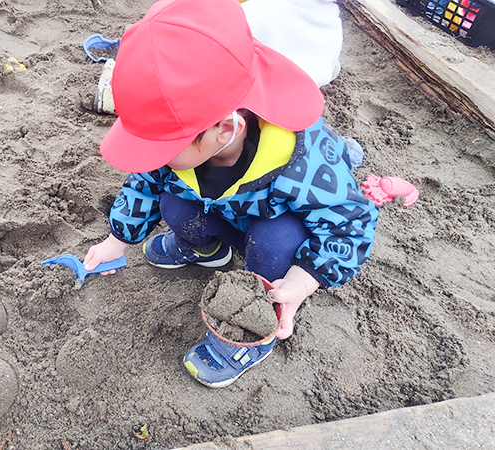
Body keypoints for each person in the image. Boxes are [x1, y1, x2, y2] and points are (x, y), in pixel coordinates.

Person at [83, 0, 378, 388]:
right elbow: (144, 180)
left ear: (225, 129)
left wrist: (302, 283)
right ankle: (206, 249)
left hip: (274, 233)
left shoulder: (304, 162)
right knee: (172, 201)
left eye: (164, 144)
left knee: (276, 240)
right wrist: (116, 240)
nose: (155, 154)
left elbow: (351, 226)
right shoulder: (185, 133)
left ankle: (251, 329)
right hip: (222, 211)